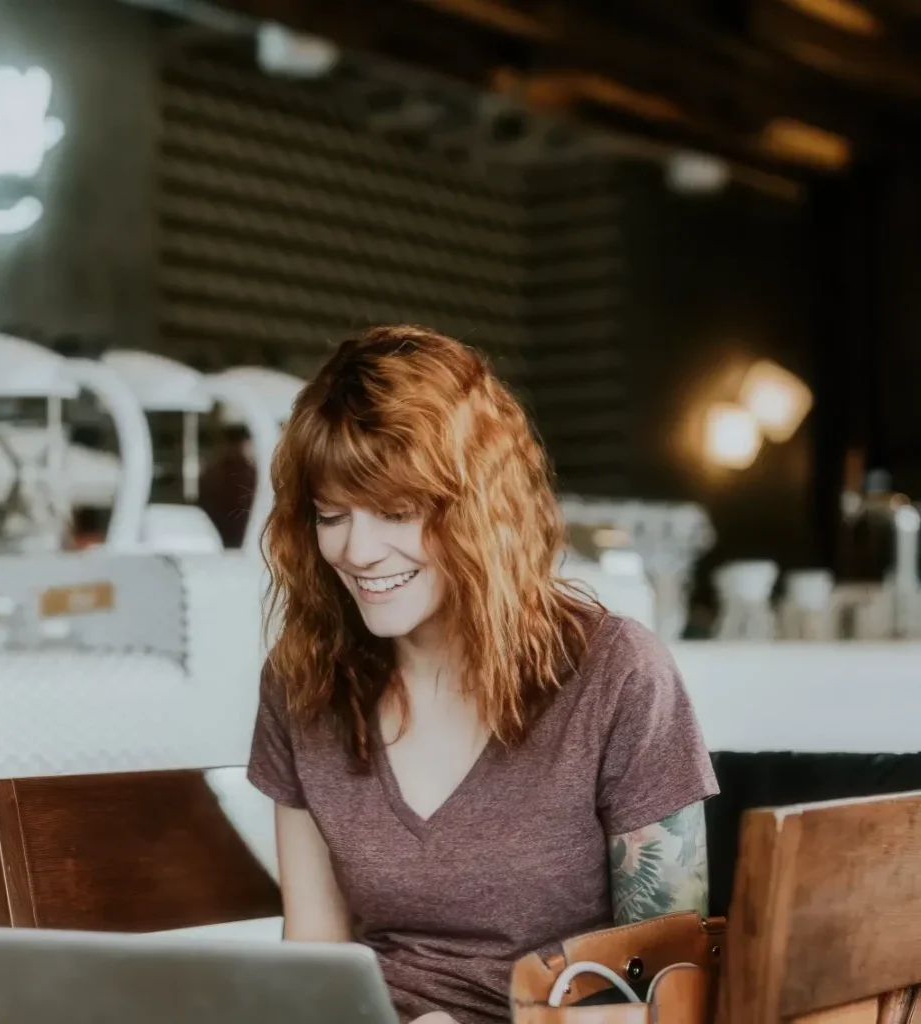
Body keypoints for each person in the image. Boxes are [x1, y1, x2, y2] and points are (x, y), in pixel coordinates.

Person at [247, 325, 718, 1024]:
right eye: (331, 515)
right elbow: (314, 961)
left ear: (480, 511)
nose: (358, 550)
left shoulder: (616, 675)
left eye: (397, 513)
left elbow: (674, 990)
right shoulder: (304, 681)